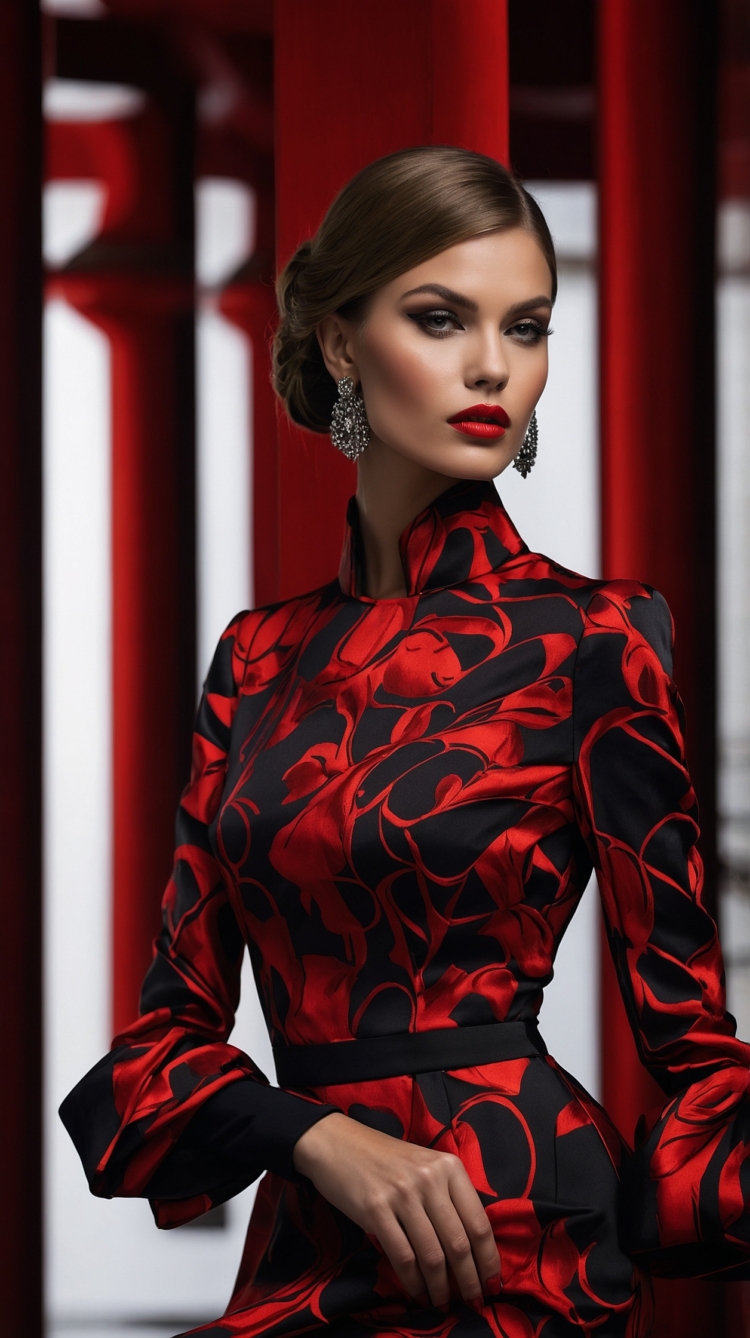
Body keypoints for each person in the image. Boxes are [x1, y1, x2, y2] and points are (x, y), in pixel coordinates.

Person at [61, 146, 750, 1338]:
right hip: (310, 1229)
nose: (493, 366)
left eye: (525, 326)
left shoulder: (592, 639)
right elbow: (157, 1048)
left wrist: (617, 1217)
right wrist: (312, 1134)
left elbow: (696, 1046)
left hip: (508, 1235)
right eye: (441, 319)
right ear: (339, 344)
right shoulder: (258, 659)